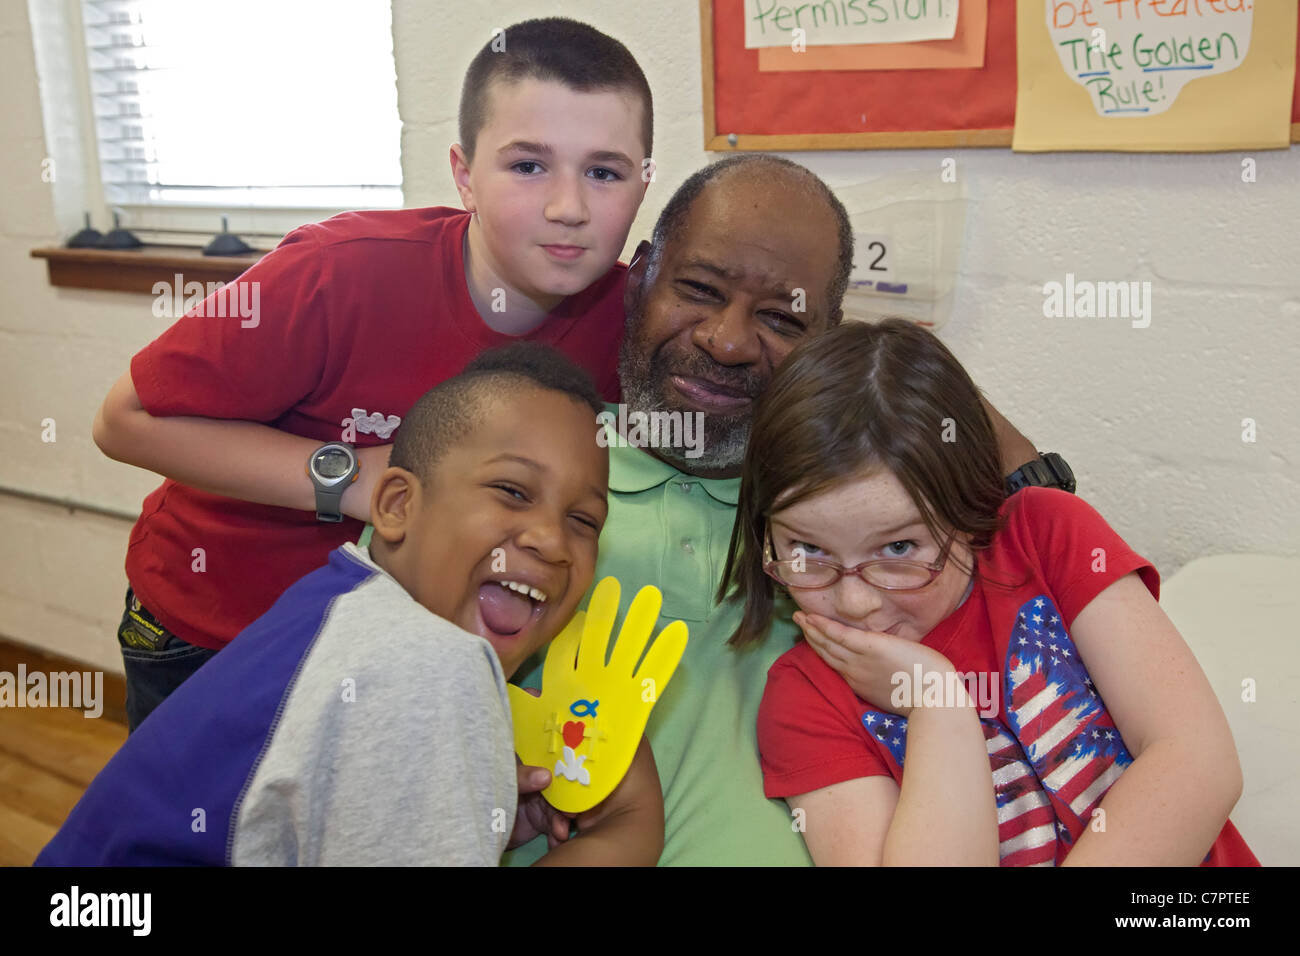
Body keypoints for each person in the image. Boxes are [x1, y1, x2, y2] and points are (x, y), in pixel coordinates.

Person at [92, 17, 654, 730]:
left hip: (400, 643)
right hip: (215, 627)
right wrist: (361, 481)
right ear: (464, 176)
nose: (568, 208)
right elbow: (123, 420)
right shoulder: (339, 272)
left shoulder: (633, 322)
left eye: (604, 172)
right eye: (527, 165)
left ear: (642, 186)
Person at [503, 155, 1052, 866]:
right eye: (698, 289)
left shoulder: (846, 520)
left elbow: (1041, 577)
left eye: (782, 320)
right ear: (636, 276)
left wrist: (880, 371)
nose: (727, 342)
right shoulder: (524, 472)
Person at [37, 345, 663, 866]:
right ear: (395, 507)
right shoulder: (429, 664)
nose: (552, 540)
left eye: (584, 519)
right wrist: (625, 831)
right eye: (511, 490)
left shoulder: (338, 599)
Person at [721, 319, 1257, 866]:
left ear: (969, 509)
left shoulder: (1045, 536)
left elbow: (1197, 763)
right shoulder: (805, 699)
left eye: (900, 548)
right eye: (808, 552)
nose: (857, 602)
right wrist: (938, 702)